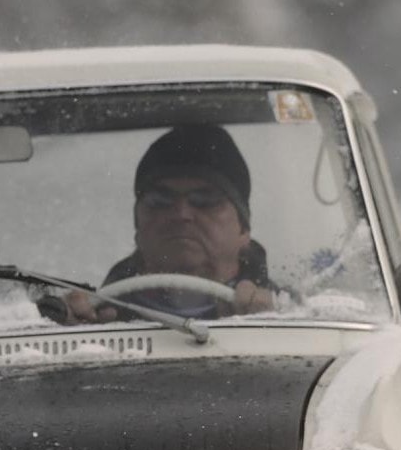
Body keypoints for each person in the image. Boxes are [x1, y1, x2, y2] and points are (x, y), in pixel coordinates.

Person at [64, 124, 280, 322]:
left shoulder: (295, 313)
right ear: (138, 227)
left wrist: (273, 330)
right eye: (160, 202)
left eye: (205, 201)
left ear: (243, 229)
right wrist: (65, 328)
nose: (181, 214)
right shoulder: (93, 320)